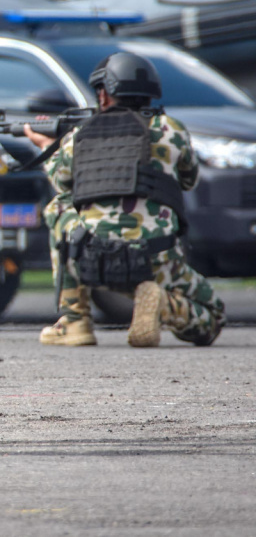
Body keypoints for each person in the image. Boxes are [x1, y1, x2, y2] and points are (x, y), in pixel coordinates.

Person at [24, 52, 225, 348]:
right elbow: (188, 181)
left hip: (92, 260)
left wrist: (45, 146)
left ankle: (74, 321)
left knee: (59, 206)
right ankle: (165, 304)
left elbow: (62, 180)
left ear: (104, 94)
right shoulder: (173, 131)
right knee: (213, 316)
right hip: (157, 260)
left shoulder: (80, 134)